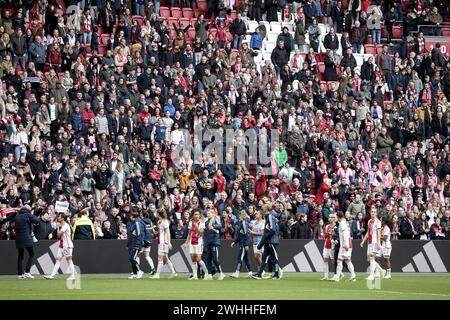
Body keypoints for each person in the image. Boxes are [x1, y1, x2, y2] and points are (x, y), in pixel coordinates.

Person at [0, 206, 38, 279]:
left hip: (19, 239)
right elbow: (37, 221)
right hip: (27, 238)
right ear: (28, 210)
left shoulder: (16, 217)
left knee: (20, 256)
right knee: (31, 254)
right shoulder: (28, 215)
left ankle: (20, 274)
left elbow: (10, 227)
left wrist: (13, 232)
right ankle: (27, 272)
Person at [252, 204, 281, 280]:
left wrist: (264, 239)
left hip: (271, 242)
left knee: (274, 258)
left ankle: (277, 274)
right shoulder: (268, 217)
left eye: (262, 208)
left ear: (266, 209)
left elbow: (272, 230)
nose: (261, 209)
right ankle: (259, 274)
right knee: (264, 258)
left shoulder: (270, 217)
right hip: (268, 242)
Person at [44, 213, 76, 280]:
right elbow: (60, 237)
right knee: (58, 260)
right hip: (62, 245)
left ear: (62, 218)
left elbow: (58, 235)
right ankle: (52, 275)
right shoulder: (63, 225)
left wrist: (58, 227)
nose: (58, 218)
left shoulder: (65, 225)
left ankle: (73, 275)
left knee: (69, 260)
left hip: (67, 246)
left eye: (59, 217)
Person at [150, 209, 177, 279]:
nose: (155, 214)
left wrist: (169, 242)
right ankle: (174, 272)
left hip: (164, 242)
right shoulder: (159, 221)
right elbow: (161, 232)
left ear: (159, 214)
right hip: (160, 241)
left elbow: (168, 233)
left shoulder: (165, 222)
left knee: (160, 258)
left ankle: (157, 274)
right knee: (166, 258)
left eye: (156, 213)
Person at [360, 207, 384, 281]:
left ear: (376, 213)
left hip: (374, 242)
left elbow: (379, 233)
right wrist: (363, 241)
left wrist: (378, 243)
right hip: (369, 242)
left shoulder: (378, 222)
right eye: (372, 211)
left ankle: (371, 275)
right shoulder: (369, 221)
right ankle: (381, 270)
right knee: (370, 259)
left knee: (371, 258)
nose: (373, 213)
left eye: (374, 212)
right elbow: (368, 232)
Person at [185, 209, 208, 280]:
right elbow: (189, 234)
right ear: (193, 215)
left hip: (199, 243)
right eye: (195, 214)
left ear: (200, 215)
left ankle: (206, 273)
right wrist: (186, 243)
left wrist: (196, 226)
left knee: (198, 259)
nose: (196, 216)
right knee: (193, 259)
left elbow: (201, 233)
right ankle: (195, 275)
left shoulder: (202, 222)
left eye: (198, 214)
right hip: (191, 242)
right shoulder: (190, 222)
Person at [230, 210, 253, 278]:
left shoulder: (244, 223)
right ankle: (250, 272)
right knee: (246, 258)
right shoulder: (241, 223)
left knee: (240, 257)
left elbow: (246, 234)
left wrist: (246, 245)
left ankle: (237, 273)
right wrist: (235, 242)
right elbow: (240, 235)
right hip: (242, 243)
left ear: (242, 216)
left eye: (239, 216)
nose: (238, 217)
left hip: (243, 244)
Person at [334, 211, 356, 282]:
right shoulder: (345, 222)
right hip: (348, 242)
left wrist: (345, 244)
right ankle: (353, 275)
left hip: (345, 244)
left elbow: (345, 234)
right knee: (347, 260)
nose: (335, 218)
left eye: (336, 216)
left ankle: (337, 277)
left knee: (339, 260)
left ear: (338, 217)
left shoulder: (342, 223)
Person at [204, 207, 224, 280]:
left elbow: (220, 226)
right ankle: (209, 275)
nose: (208, 214)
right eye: (207, 213)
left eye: (209, 213)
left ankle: (221, 273)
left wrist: (213, 226)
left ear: (212, 214)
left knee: (215, 259)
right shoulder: (206, 222)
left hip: (214, 242)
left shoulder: (215, 219)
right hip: (208, 242)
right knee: (208, 259)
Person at [321, 213, 336, 280]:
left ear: (334, 218)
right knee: (325, 260)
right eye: (329, 217)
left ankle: (338, 274)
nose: (329, 218)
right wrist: (326, 234)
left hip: (333, 245)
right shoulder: (327, 226)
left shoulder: (336, 226)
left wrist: (331, 233)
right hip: (327, 244)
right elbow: (326, 236)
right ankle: (326, 276)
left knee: (333, 261)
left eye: (331, 217)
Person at [250, 210, 265, 274]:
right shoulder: (254, 222)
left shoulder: (263, 222)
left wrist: (252, 232)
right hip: (254, 242)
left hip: (260, 242)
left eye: (257, 214)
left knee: (258, 256)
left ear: (261, 215)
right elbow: (252, 230)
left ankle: (261, 270)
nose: (255, 215)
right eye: (255, 214)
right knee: (256, 257)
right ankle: (260, 270)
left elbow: (262, 233)